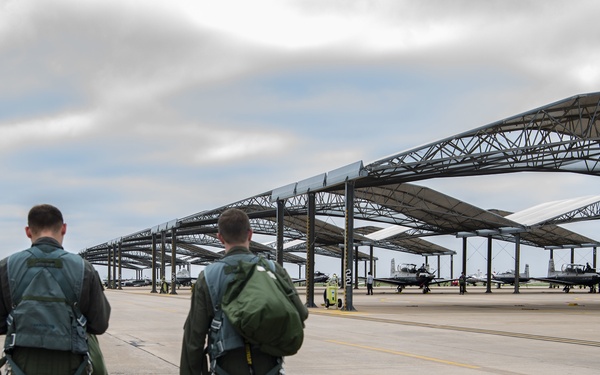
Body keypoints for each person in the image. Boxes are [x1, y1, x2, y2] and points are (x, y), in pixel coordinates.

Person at [180, 208, 308, 375]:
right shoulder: (274, 270)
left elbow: (193, 341)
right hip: (270, 368)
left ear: (220, 238)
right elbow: (301, 312)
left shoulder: (208, 277)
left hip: (226, 368)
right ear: (250, 234)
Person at [0, 204, 111, 374]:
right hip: (73, 364)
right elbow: (99, 324)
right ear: (64, 228)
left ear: (28, 231)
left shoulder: (6, 267)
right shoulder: (84, 268)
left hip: (21, 364)